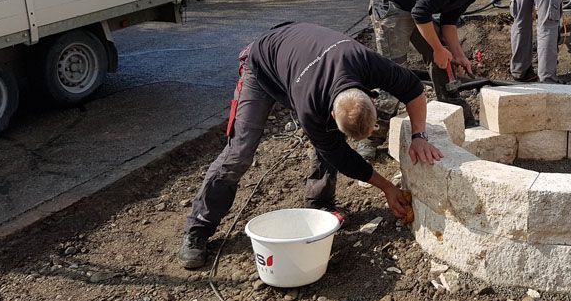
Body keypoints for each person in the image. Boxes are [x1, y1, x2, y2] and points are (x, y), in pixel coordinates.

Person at [177, 22, 443, 270]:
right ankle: (198, 228)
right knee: (240, 153)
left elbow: (413, 89)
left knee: (326, 141)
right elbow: (339, 155)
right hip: (262, 65)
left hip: (301, 56)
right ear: (332, 114)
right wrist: (387, 187)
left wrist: (419, 135)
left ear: (371, 100)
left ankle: (319, 204)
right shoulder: (311, 109)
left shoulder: (366, 61)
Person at [370, 0, 509, 108]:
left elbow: (448, 22)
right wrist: (438, 49)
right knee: (395, 68)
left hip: (414, 7)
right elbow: (421, 13)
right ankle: (384, 118)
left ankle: (450, 103)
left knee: (444, 54)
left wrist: (458, 55)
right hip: (391, 2)